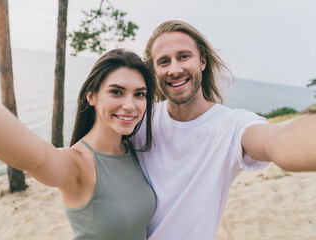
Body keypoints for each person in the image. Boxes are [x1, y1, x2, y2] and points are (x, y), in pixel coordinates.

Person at [133, 20, 316, 240]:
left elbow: (277, 141)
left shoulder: (232, 125)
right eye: (163, 61)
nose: (174, 69)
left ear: (202, 61)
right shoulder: (138, 120)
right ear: (154, 71)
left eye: (183, 56)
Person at [0, 48, 157, 240]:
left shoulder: (134, 150)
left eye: (139, 94)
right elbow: (35, 158)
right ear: (91, 96)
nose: (130, 106)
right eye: (116, 92)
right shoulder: (75, 163)